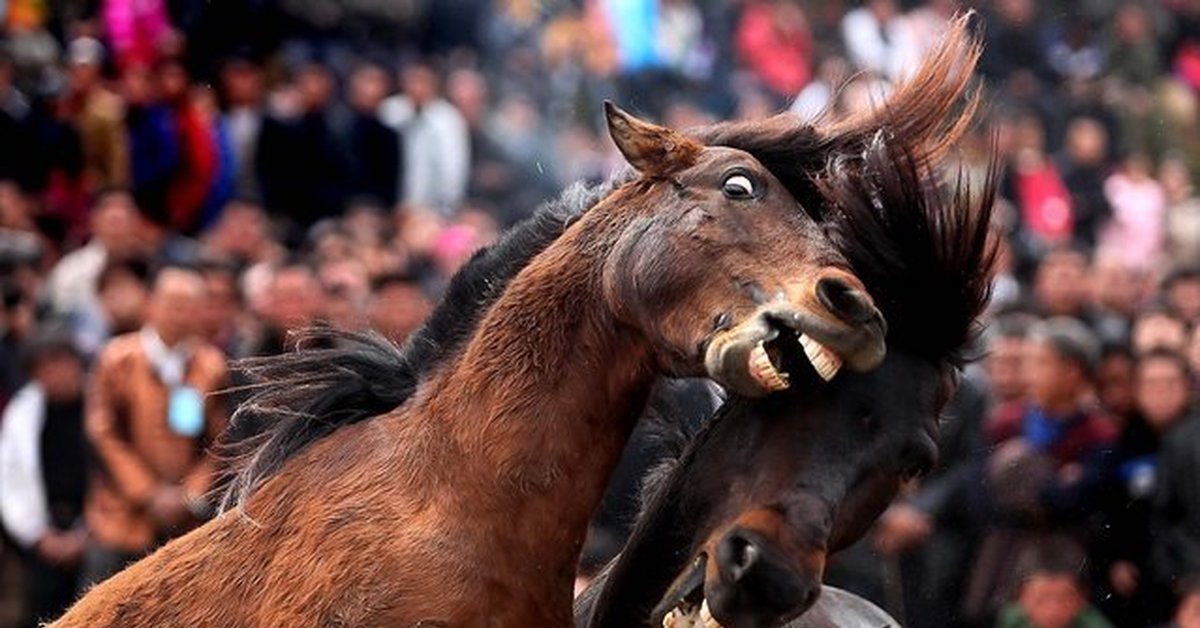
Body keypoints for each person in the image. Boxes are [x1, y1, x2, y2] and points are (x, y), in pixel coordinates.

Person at [81, 263, 229, 585]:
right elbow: (102, 432)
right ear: (151, 304)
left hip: (185, 521)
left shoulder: (210, 365)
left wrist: (189, 494)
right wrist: (148, 494)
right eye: (173, 304)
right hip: (120, 517)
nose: (181, 314)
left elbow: (220, 441)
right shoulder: (117, 358)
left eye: (190, 306)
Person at [1095, 349, 1192, 625]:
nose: (1161, 393)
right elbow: (1109, 510)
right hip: (1137, 582)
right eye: (1151, 384)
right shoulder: (1123, 444)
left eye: (1170, 383)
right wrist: (1116, 557)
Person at [0, 331, 89, 627]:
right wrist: (37, 534)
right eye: (43, 369)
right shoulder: (23, 411)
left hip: (96, 528)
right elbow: (8, 479)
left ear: (76, 363)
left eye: (59, 363)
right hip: (44, 531)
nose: (54, 374)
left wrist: (87, 533)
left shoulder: (99, 405)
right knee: (42, 614)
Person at [380, 62, 470, 215]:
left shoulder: (447, 119)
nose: (416, 87)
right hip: (391, 203)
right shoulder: (390, 112)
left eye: (422, 81)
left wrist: (447, 205)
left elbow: (453, 167)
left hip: (432, 207)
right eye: (412, 81)